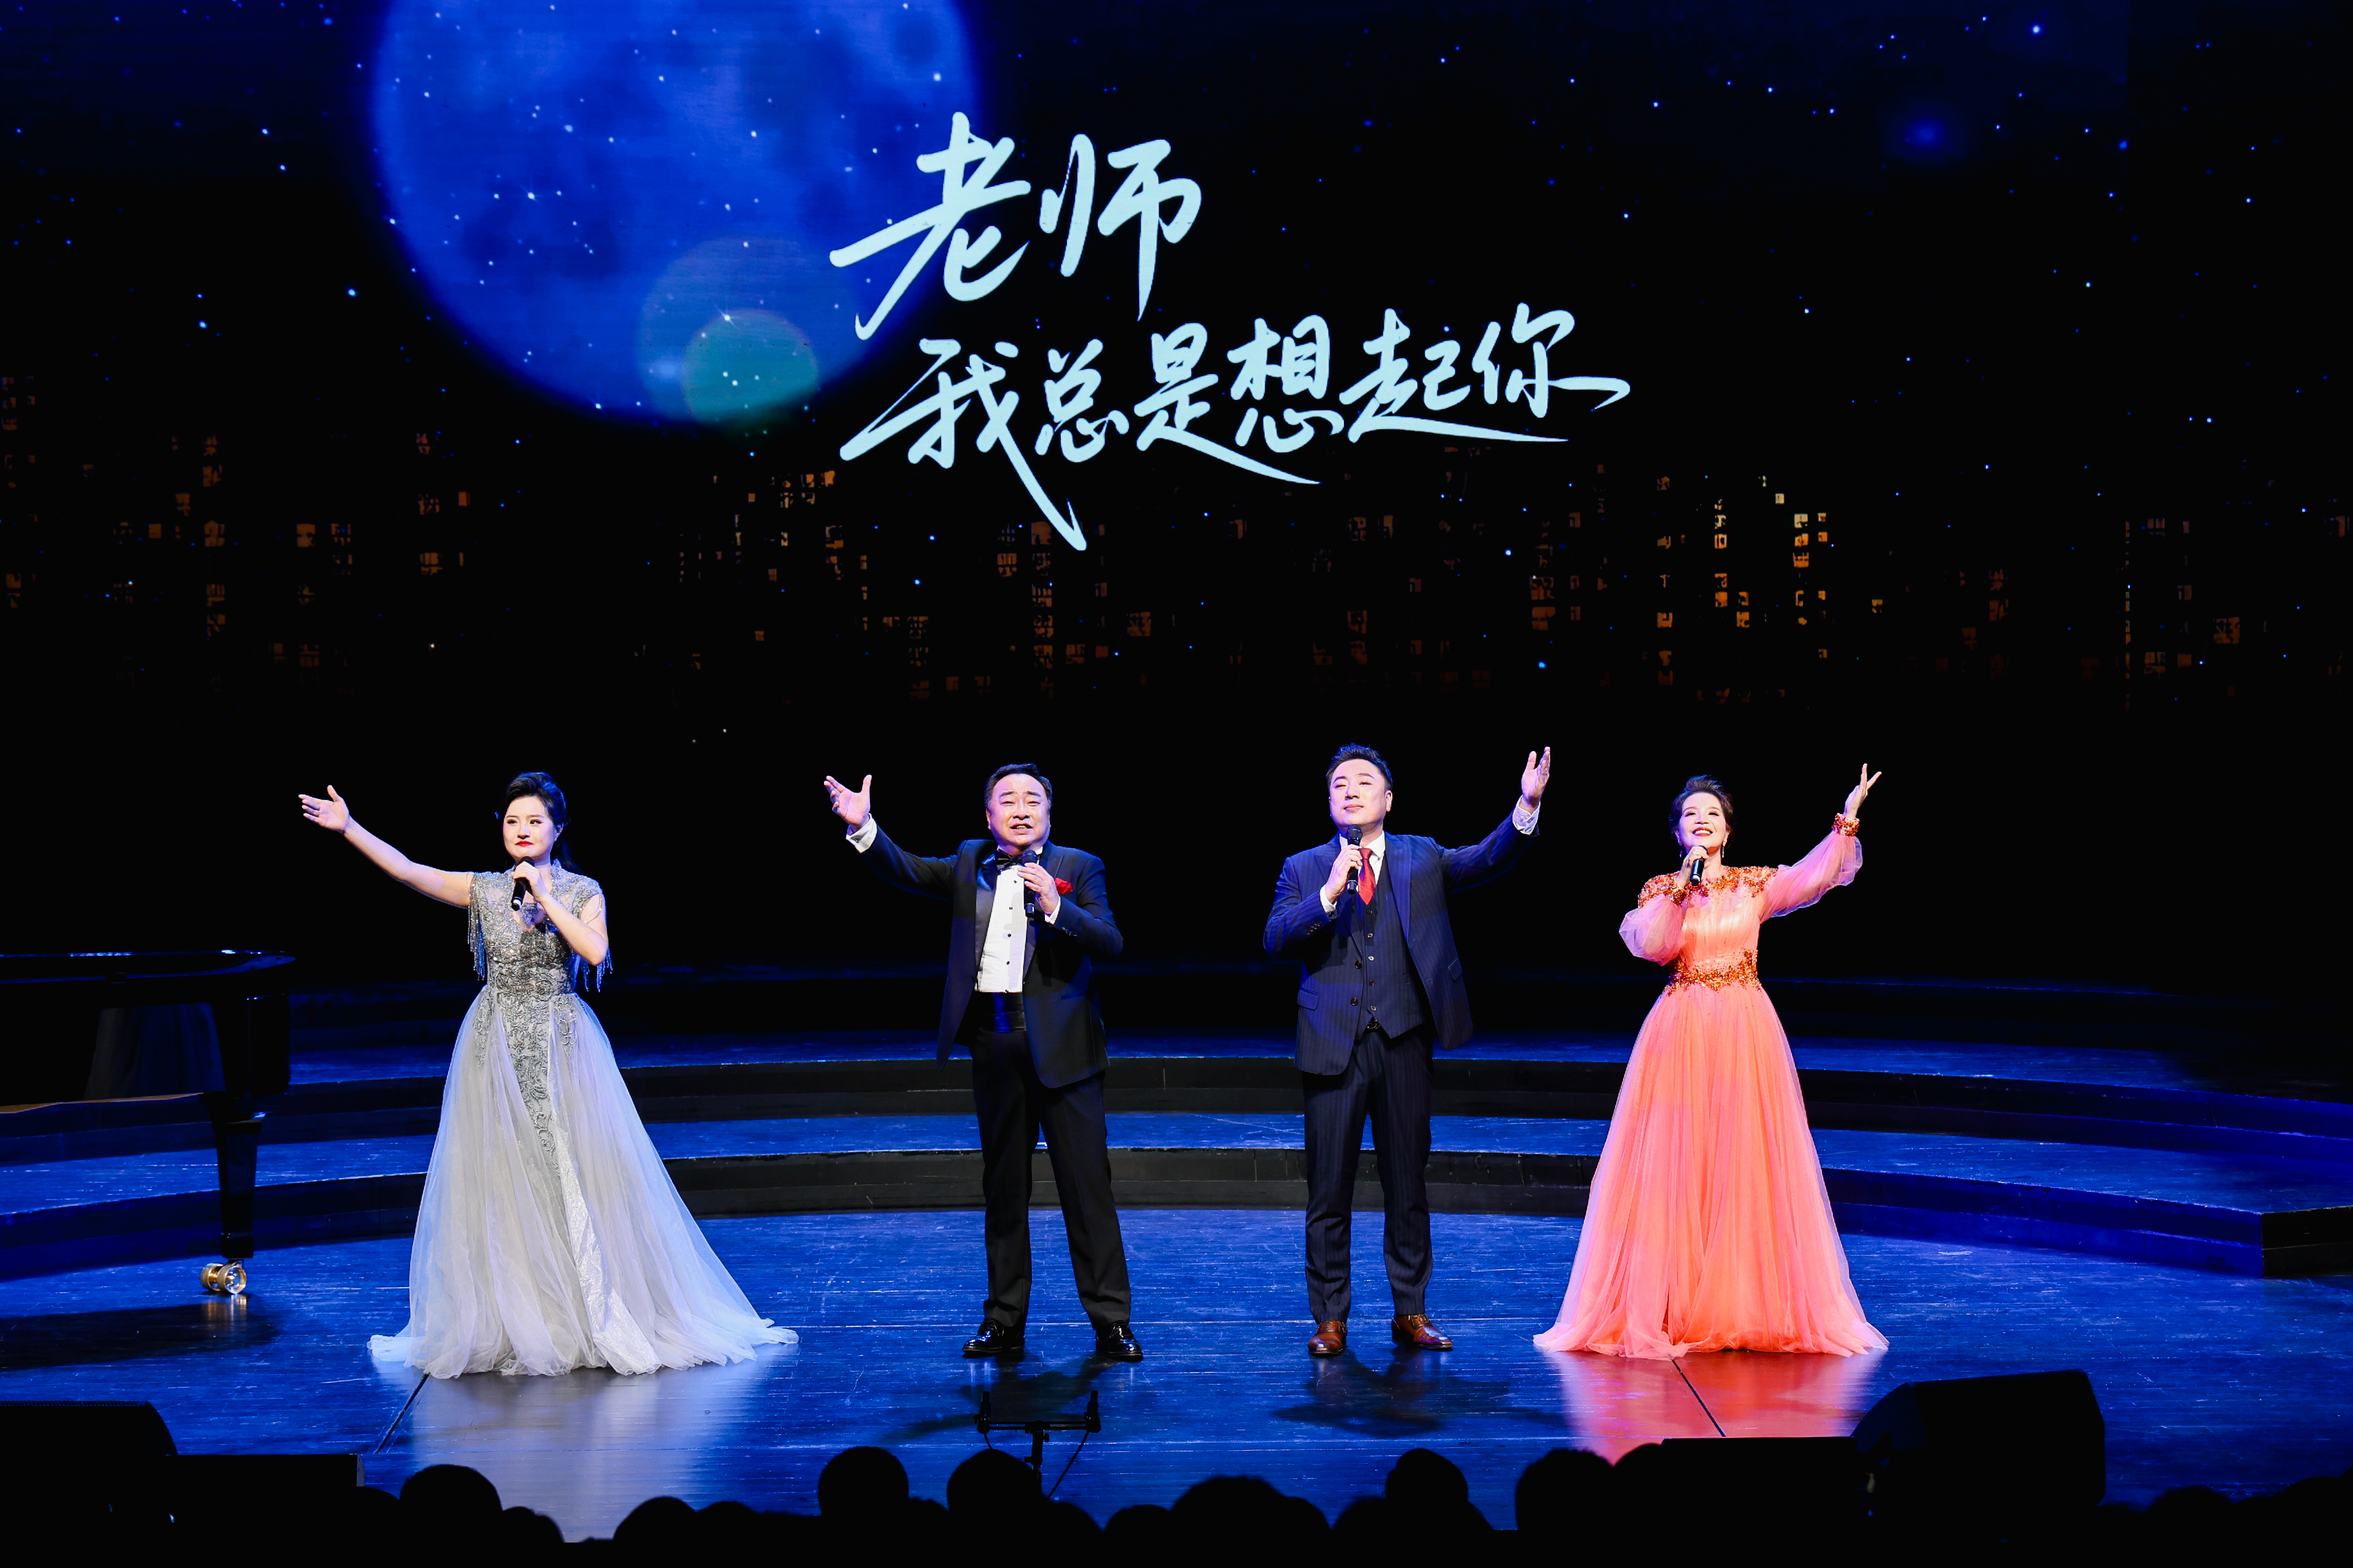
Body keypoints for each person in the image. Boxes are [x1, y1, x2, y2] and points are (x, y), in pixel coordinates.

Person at [297, 771, 795, 1377]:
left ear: (557, 829)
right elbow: (408, 870)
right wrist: (350, 828)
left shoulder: (584, 891)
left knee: (573, 1169)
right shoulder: (485, 889)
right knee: (504, 1175)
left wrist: (545, 897)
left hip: (563, 1045)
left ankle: (595, 1307)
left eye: (534, 821)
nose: (523, 830)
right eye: (512, 821)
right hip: (496, 1043)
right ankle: (521, 1314)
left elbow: (595, 951)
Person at [1534, 768, 1887, 1358]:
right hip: (1681, 1029)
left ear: (1727, 830)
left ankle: (1738, 1302)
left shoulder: (1753, 885)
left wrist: (1846, 819)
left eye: (1712, 814)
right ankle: (1673, 1301)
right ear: (1677, 832)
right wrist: (1681, 885)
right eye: (1690, 815)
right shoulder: (1660, 888)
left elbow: (1813, 876)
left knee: (1740, 1159)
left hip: (1744, 1030)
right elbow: (1653, 945)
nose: (1701, 820)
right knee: (1678, 1159)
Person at [822, 763, 1140, 1361]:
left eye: (1033, 799)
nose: (1021, 808)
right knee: (1004, 1188)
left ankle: (1111, 1321)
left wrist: (1057, 907)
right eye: (1007, 799)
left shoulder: (1079, 865)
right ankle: (1003, 1318)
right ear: (988, 815)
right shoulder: (971, 860)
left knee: (1086, 1190)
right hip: (994, 1043)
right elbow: (909, 869)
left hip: (1065, 1051)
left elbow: (1111, 941)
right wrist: (865, 827)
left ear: (1049, 812)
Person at [1265, 743, 1549, 1357]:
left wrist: (1525, 806)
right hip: (1333, 1043)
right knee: (1328, 1189)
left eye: (1364, 781)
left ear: (1388, 799)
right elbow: (1275, 937)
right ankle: (1330, 1317)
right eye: (1339, 783)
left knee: (1406, 1183)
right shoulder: (1304, 866)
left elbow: (1487, 858)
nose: (1350, 790)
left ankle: (1410, 1310)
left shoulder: (1422, 855)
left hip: (1403, 1039)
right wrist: (1326, 896)